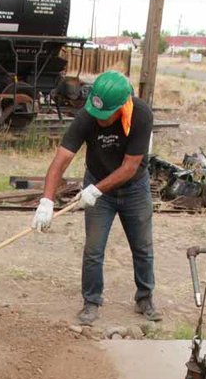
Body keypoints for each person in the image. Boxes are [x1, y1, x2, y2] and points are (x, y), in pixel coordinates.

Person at [32, 70, 161, 326]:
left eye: (107, 116)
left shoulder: (141, 115)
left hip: (133, 188)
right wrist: (46, 202)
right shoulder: (87, 116)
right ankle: (91, 302)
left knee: (143, 247)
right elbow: (61, 160)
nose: (100, 121)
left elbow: (129, 167)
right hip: (98, 184)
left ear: (122, 105)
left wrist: (95, 190)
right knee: (93, 249)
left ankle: (144, 298)